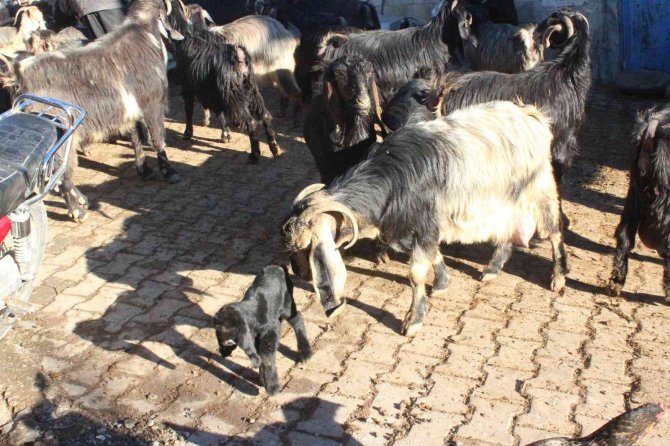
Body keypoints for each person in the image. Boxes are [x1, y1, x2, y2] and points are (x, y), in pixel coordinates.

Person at [54, 0, 126, 39]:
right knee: (123, 43)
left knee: (103, 47)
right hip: (111, 5)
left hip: (85, 9)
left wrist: (74, 11)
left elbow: (64, 5)